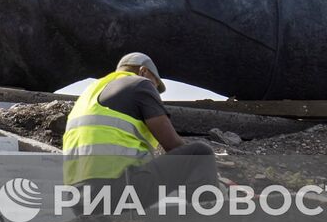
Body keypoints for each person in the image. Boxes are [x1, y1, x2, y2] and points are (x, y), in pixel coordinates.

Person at [62, 52, 218, 198]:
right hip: (115, 190)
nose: (155, 93)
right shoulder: (139, 84)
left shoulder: (91, 92)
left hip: (77, 197)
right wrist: (204, 171)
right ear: (143, 72)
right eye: (155, 85)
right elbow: (173, 145)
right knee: (200, 153)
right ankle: (205, 212)